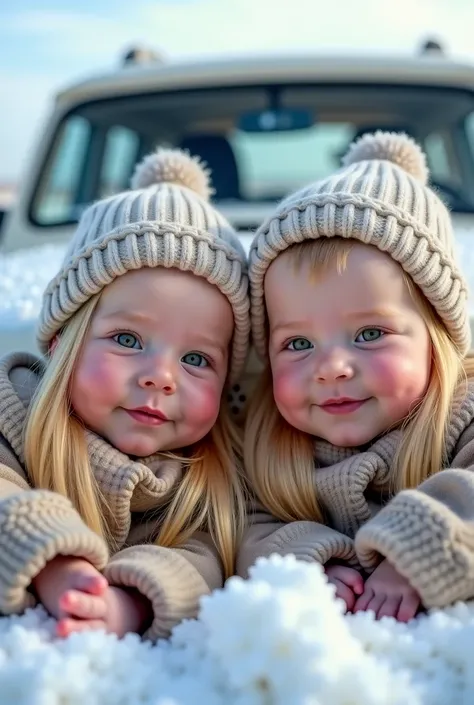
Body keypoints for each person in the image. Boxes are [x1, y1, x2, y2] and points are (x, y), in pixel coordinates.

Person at [0, 148, 250, 641]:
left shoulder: (208, 473)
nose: (160, 378)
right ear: (60, 342)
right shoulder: (15, 410)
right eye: (128, 340)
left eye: (197, 359)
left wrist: (132, 601)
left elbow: (203, 559)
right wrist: (55, 558)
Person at [238, 131, 474, 622]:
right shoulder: (270, 440)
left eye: (370, 333)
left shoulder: (463, 412)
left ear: (438, 334)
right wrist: (309, 558)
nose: (331, 368)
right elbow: (248, 526)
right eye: (297, 344)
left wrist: (411, 552)